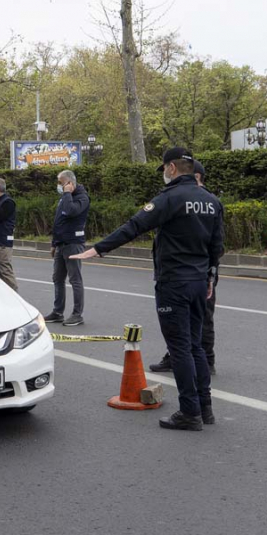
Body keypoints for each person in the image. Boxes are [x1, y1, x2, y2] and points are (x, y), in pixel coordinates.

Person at [70, 148, 224, 431]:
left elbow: (134, 226)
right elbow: (217, 246)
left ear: (173, 168)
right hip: (199, 282)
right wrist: (211, 277)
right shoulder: (212, 202)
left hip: (173, 283)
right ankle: (205, 408)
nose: (164, 174)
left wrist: (97, 250)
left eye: (164, 169)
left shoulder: (169, 199)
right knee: (195, 346)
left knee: (180, 350)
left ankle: (189, 412)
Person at [150, 160, 218, 375]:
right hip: (195, 272)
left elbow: (214, 243)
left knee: (201, 320)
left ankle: (205, 360)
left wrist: (210, 273)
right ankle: (179, 356)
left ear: (195, 176)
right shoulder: (201, 200)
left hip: (193, 273)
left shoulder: (203, 200)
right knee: (182, 324)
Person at [44, 170, 90, 326]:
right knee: (57, 278)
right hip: (61, 244)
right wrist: (54, 243)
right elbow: (59, 221)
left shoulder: (82, 198)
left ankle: (77, 314)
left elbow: (71, 212)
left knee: (75, 280)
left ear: (70, 183)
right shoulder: (65, 197)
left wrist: (67, 194)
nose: (59, 186)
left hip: (73, 243)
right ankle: (58, 312)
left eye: (61, 182)